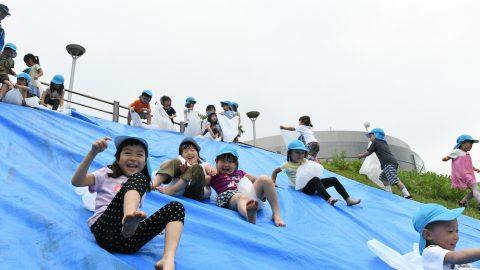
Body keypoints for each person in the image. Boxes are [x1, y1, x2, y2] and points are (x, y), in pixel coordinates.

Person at [71, 136, 184, 270]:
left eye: (139, 154)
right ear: (118, 158)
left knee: (177, 207)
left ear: (145, 161)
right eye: (127, 152)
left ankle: (168, 258)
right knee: (138, 178)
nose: (133, 158)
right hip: (106, 230)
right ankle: (128, 218)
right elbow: (77, 181)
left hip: (129, 242)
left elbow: (162, 174)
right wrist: (92, 153)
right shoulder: (107, 173)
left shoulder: (143, 183)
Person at [210, 145, 286, 227]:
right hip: (230, 196)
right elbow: (203, 181)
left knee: (265, 178)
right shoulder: (215, 175)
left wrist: (268, 186)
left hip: (248, 196)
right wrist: (208, 168)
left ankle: (276, 213)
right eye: (223, 161)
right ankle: (249, 214)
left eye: (230, 161)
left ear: (236, 165)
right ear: (216, 162)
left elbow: (255, 179)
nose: (226, 164)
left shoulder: (239, 173)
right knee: (240, 197)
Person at [272, 140, 360, 206]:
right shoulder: (287, 165)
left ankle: (348, 200)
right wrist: (273, 182)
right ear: (290, 153)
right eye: (297, 152)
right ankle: (329, 199)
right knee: (316, 180)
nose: (300, 155)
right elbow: (275, 172)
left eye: (302, 153)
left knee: (333, 179)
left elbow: (315, 166)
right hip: (303, 189)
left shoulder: (305, 161)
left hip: (313, 184)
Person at [413, 203, 480, 270]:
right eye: (450, 231)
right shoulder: (430, 251)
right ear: (428, 234)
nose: (457, 237)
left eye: (457, 231)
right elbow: (456, 257)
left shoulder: (443, 250)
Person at [152, 137, 216, 201]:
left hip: (195, 192)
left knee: (195, 167)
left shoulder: (204, 165)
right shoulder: (180, 162)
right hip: (180, 191)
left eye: (192, 150)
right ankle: (153, 185)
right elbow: (162, 166)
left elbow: (209, 176)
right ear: (181, 156)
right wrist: (180, 170)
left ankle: (171, 190)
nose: (189, 153)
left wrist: (210, 170)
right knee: (176, 162)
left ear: (198, 155)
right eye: (185, 152)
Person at [357, 128, 412, 199]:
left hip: (388, 163)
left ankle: (407, 195)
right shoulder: (383, 142)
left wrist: (361, 155)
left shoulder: (376, 142)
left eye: (371, 136)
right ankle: (389, 194)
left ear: (376, 135)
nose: (370, 138)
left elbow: (369, 152)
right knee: (383, 177)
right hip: (391, 162)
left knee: (394, 179)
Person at [442, 135, 480, 209]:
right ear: (462, 143)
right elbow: (448, 156)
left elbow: (467, 164)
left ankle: (462, 202)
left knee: (474, 191)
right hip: (465, 175)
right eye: (470, 143)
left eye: (472, 144)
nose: (471, 146)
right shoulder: (457, 151)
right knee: (475, 188)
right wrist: (446, 158)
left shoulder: (467, 153)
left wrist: (475, 169)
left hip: (468, 174)